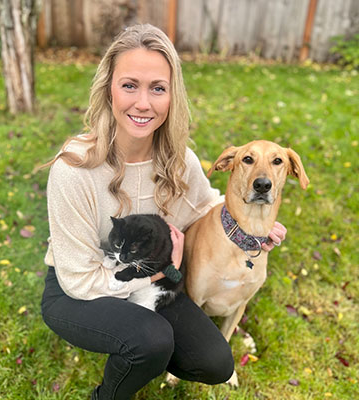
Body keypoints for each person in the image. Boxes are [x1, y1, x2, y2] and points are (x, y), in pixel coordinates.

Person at [40, 24, 286, 400]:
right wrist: (162, 271)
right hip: (78, 290)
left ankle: (147, 343)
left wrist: (251, 230)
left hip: (152, 279)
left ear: (172, 96)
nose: (143, 103)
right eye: (129, 85)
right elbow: (78, 280)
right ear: (108, 88)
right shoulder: (73, 170)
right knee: (150, 339)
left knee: (216, 363)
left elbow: (206, 204)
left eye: (157, 88)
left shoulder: (178, 160)